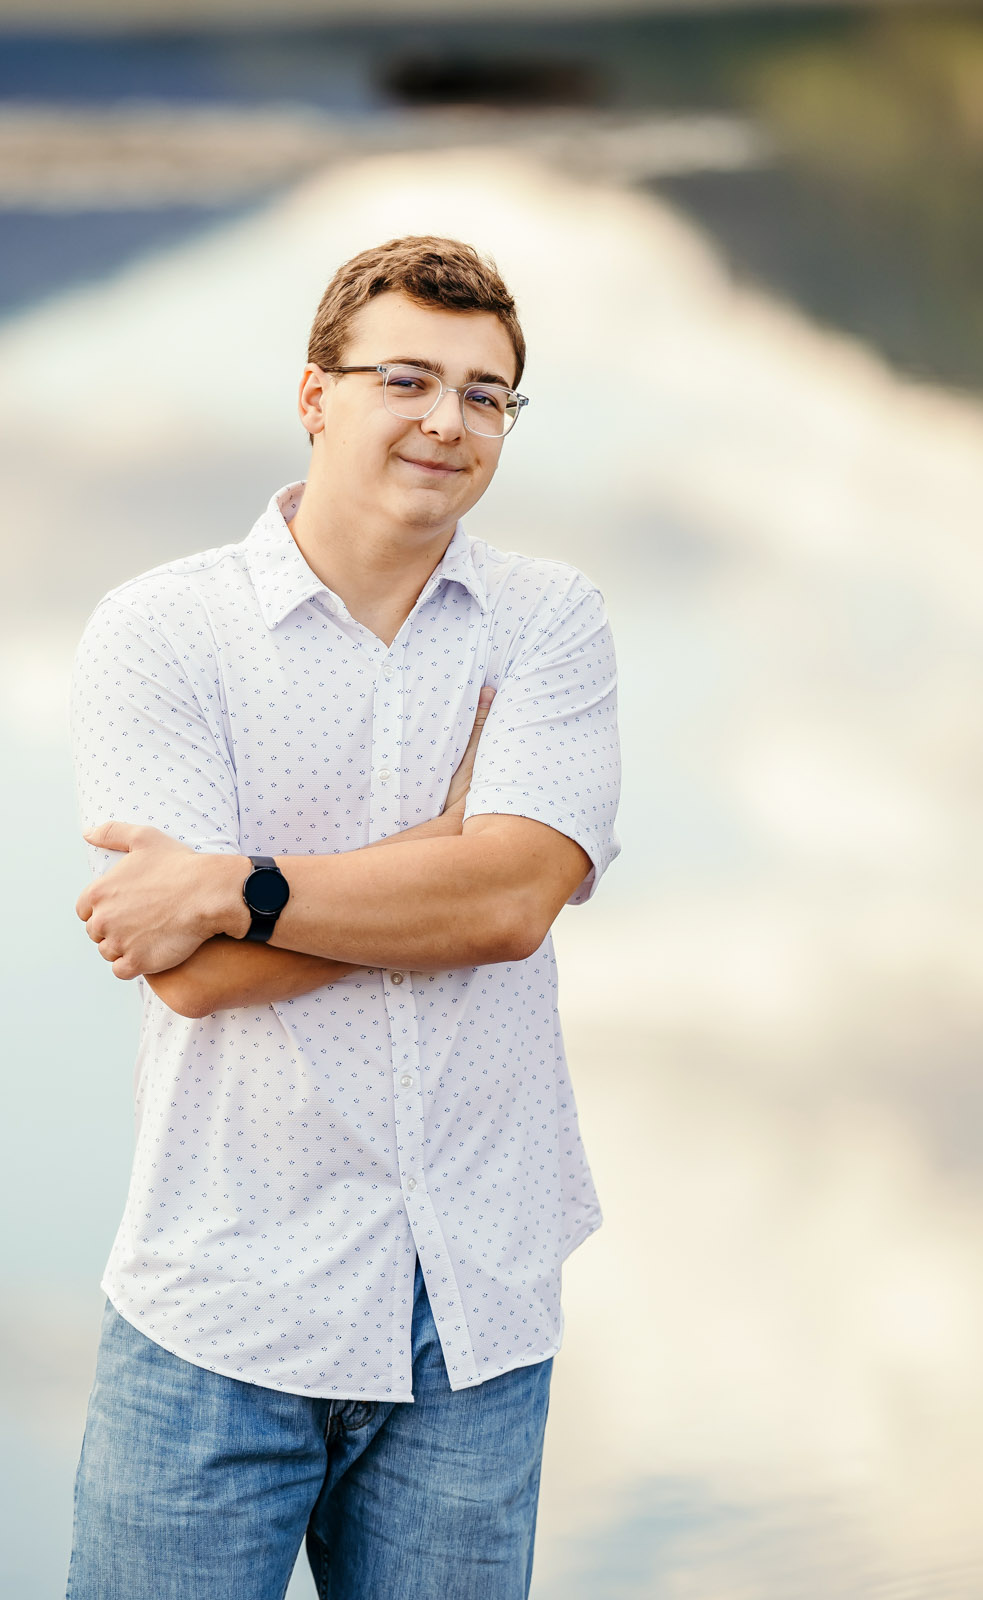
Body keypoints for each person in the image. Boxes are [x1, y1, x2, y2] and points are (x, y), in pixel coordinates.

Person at [65, 234, 621, 1600]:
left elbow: (512, 906)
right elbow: (189, 979)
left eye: (486, 394)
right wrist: (438, 855)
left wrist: (240, 883)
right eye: (408, 379)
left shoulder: (548, 623)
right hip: (222, 1312)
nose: (448, 420)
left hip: (475, 1318)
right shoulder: (162, 631)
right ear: (316, 395)